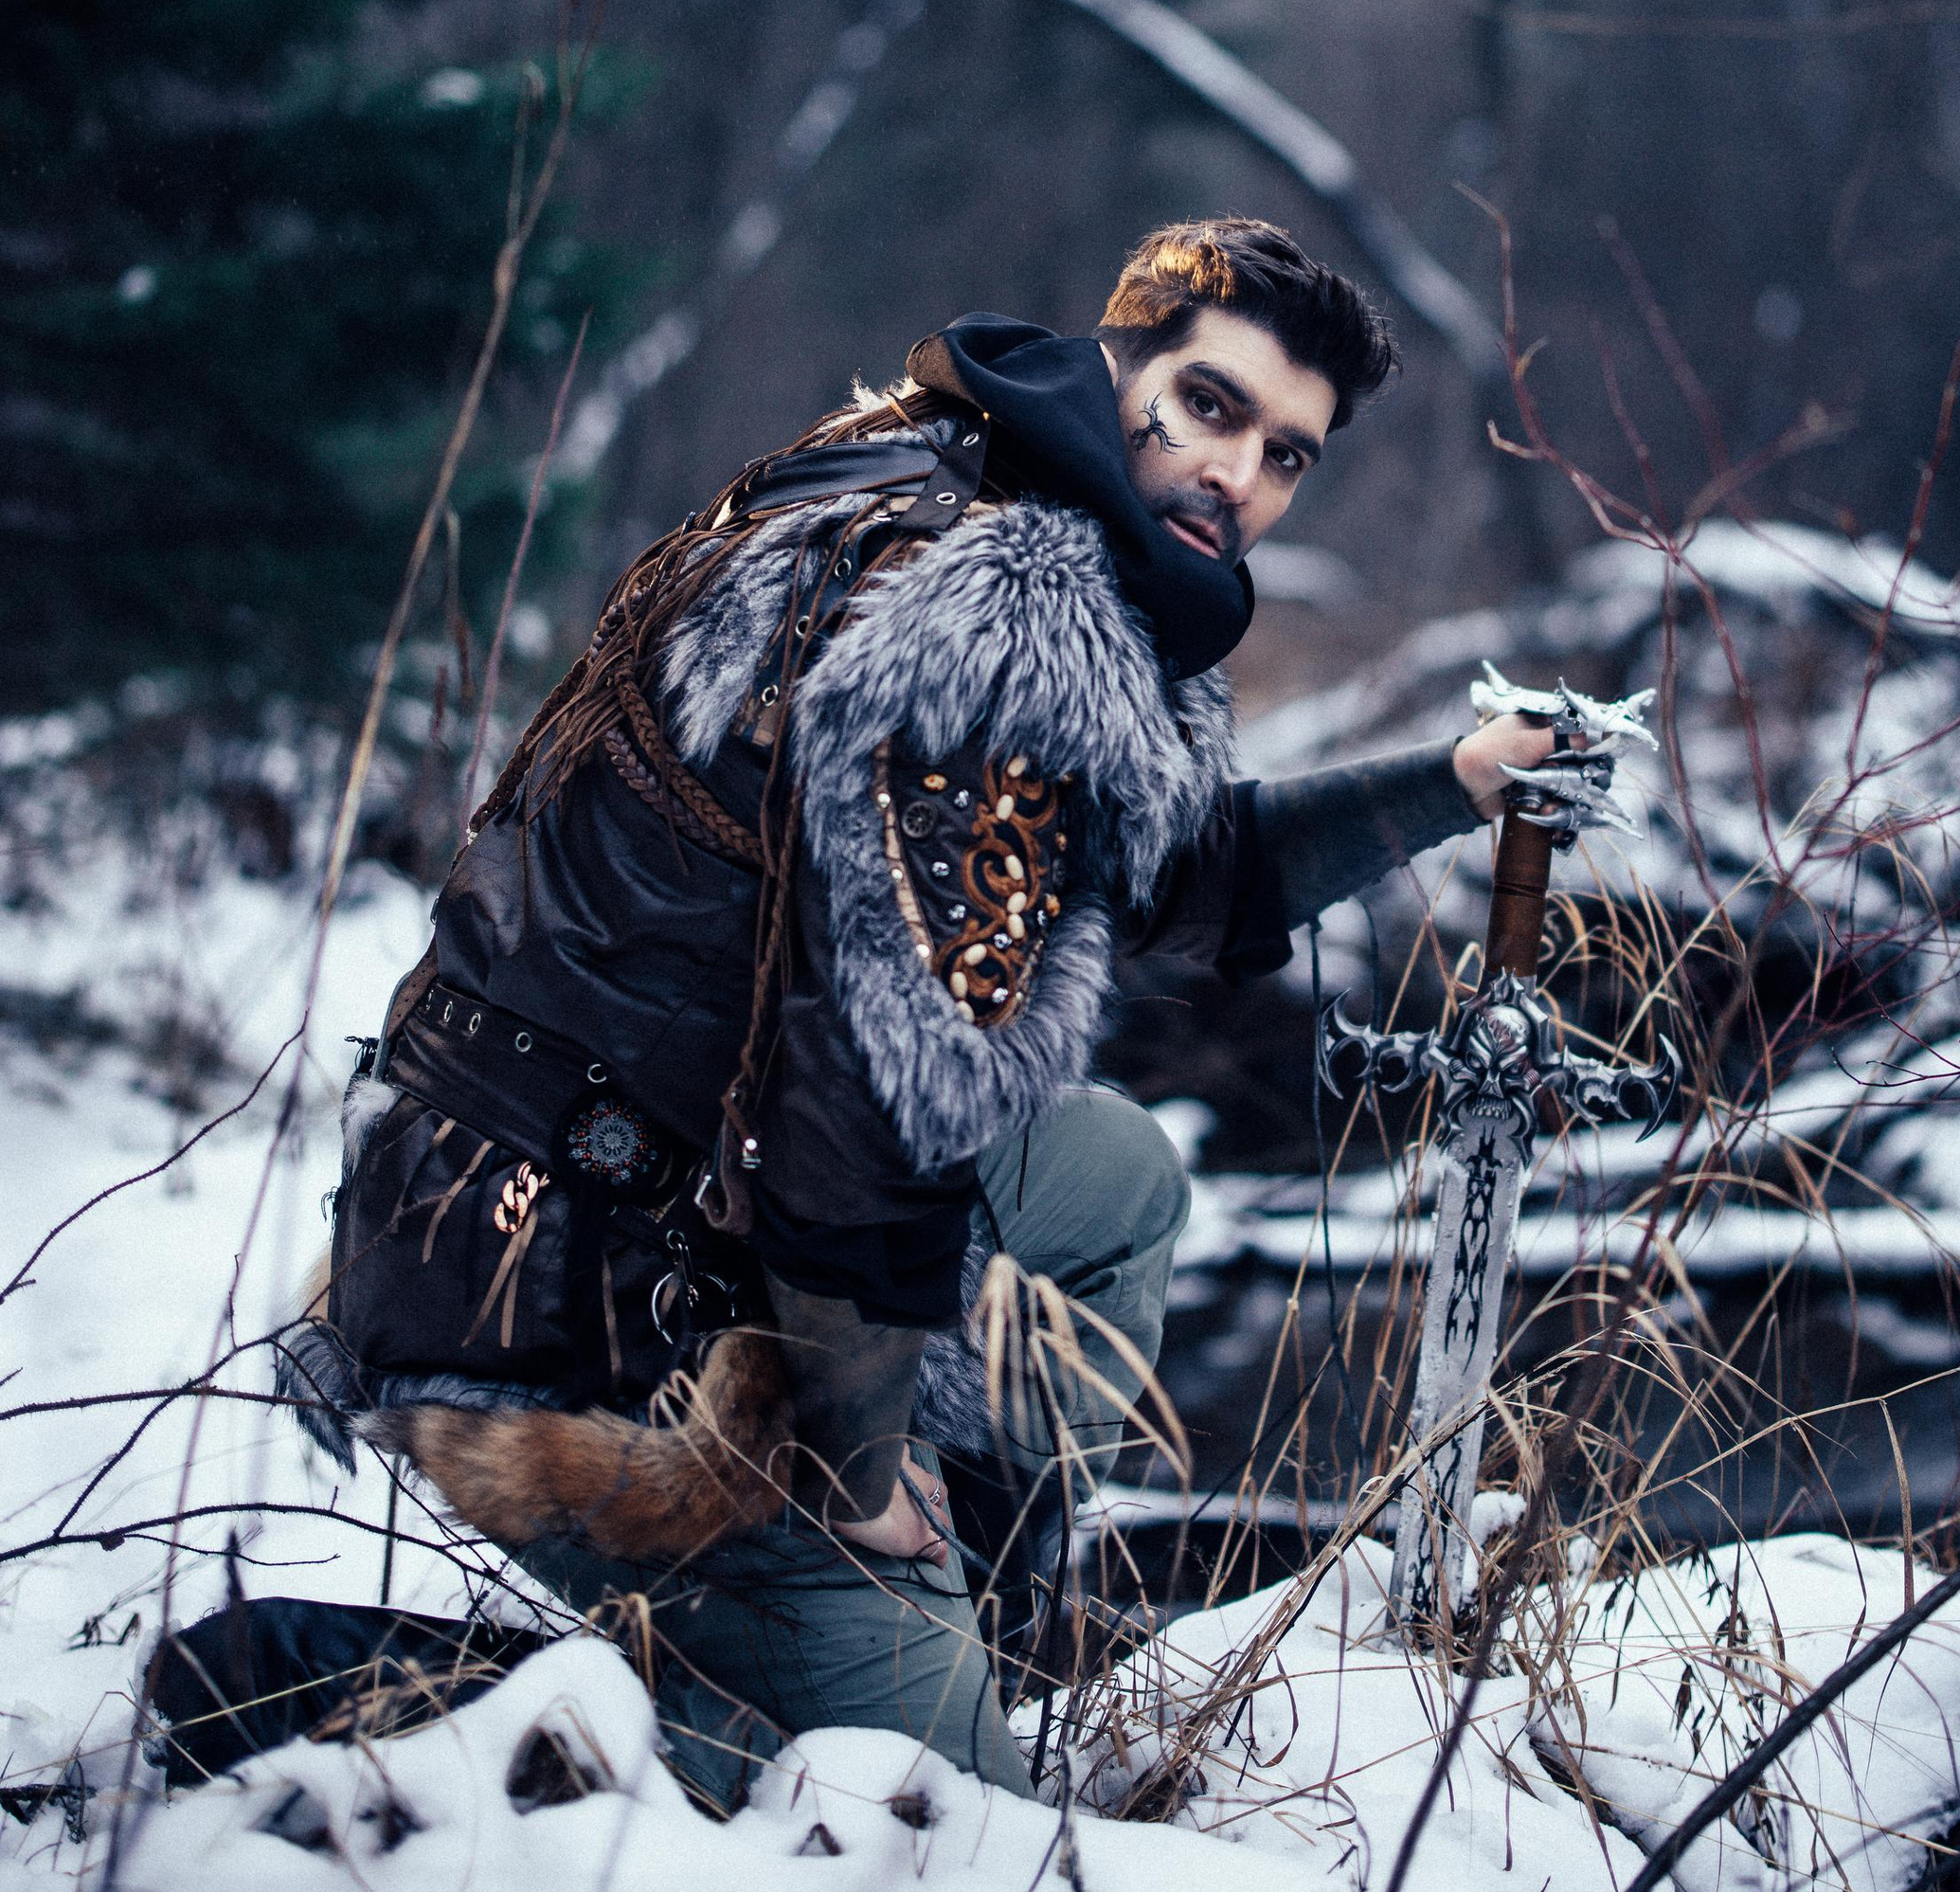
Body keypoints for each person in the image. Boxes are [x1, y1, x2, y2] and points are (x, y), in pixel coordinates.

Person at [292, 218, 1583, 1806]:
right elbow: (864, 1100)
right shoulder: (1004, 609)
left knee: (1110, 1172)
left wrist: (1454, 783)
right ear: (1122, 356)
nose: (1237, 475)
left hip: (483, 1196)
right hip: (577, 1315)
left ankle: (951, 1590)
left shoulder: (919, 468)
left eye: (1287, 453)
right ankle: (433, 1707)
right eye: (1208, 403)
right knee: (937, 1828)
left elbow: (1157, 870)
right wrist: (848, 1463)